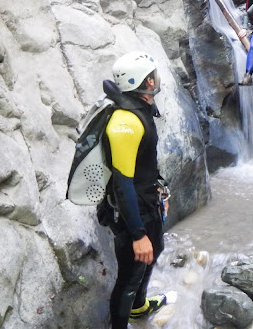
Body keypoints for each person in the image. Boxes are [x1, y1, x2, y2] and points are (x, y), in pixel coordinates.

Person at [102, 51, 170, 328]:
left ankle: (139, 308)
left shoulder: (139, 108)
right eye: (153, 74)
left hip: (146, 201)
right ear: (147, 83)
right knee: (130, 274)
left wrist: (159, 193)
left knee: (155, 251)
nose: (157, 78)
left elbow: (143, 167)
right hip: (132, 211)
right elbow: (122, 182)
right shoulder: (125, 122)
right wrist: (137, 234)